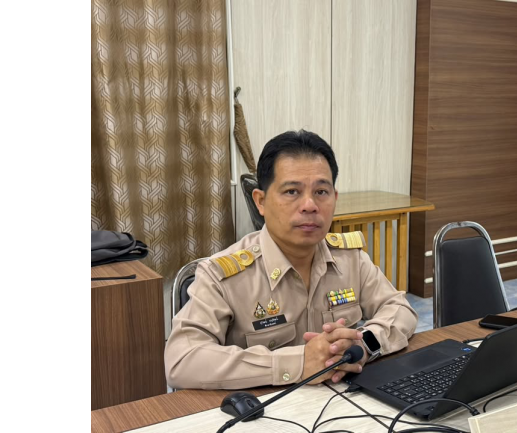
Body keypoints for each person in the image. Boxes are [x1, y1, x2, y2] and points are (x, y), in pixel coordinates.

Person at [165, 130, 419, 390]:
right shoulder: (223, 274)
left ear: (334, 199)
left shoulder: (350, 258)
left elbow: (400, 309)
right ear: (261, 201)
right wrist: (297, 363)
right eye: (292, 191)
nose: (310, 205)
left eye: (321, 191)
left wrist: (363, 344)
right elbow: (182, 359)